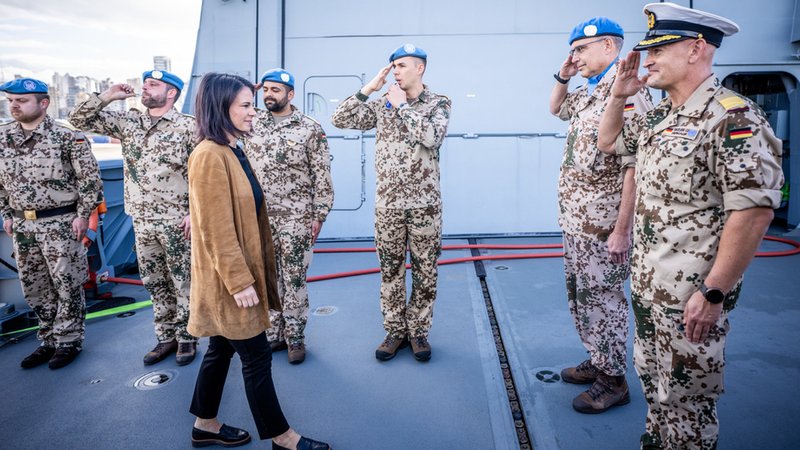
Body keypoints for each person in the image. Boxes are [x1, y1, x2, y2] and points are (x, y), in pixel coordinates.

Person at [597, 3, 784, 448]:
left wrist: (714, 292)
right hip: (648, 287)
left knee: (688, 409)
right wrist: (619, 95)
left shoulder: (733, 117)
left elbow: (753, 210)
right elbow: (608, 142)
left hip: (692, 299)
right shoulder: (660, 116)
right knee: (657, 393)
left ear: (697, 48)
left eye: (659, 49)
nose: (649, 60)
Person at [187, 72, 330, 450]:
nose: (254, 111)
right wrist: (240, 281)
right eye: (246, 105)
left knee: (219, 349)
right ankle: (283, 438)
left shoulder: (233, 148)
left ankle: (205, 424)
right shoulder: (208, 156)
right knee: (257, 357)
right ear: (222, 108)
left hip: (237, 274)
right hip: (230, 281)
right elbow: (216, 229)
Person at [548, 17, 653, 414]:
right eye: (573, 49)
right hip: (577, 219)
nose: (574, 56)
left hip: (605, 224)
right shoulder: (590, 90)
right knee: (581, 297)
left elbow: (634, 166)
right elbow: (555, 107)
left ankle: (614, 380)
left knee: (605, 300)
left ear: (609, 48)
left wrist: (622, 231)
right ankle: (598, 358)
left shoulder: (628, 92)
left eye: (581, 49)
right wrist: (564, 74)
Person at [331, 44, 451, 362]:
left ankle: (419, 333)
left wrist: (402, 108)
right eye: (392, 67)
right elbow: (340, 118)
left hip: (425, 204)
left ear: (419, 68)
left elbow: (432, 137)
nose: (395, 71)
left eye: (400, 66)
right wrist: (370, 87)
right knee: (391, 272)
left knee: (426, 271)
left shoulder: (439, 103)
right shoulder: (382, 102)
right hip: (389, 205)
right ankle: (395, 331)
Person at [69, 69, 198, 366]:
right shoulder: (130, 122)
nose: (145, 88)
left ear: (171, 93)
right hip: (141, 219)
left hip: (176, 220)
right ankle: (165, 337)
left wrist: (194, 212)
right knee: (154, 282)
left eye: (154, 84)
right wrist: (108, 96)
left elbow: (200, 175)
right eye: (146, 83)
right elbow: (79, 120)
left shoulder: (188, 128)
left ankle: (188, 338)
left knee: (184, 282)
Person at [0, 78, 103, 369]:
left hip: (60, 222)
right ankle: (48, 339)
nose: (14, 105)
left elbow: (89, 180)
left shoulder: (67, 136)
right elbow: (1, 184)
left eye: (22, 100)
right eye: (11, 101)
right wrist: (7, 214)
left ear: (43, 103)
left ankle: (69, 340)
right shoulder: (3, 137)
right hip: (23, 225)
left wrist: (83, 214)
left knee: (66, 284)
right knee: (34, 285)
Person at [244, 68, 334, 364]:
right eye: (265, 90)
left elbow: (322, 176)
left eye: (276, 90)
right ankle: (273, 334)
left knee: (293, 279)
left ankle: (295, 337)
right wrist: (247, 87)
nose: (269, 95)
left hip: (296, 217)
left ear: (290, 94)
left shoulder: (310, 128)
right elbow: (218, 108)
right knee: (265, 276)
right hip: (259, 216)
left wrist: (318, 215)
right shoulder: (251, 122)